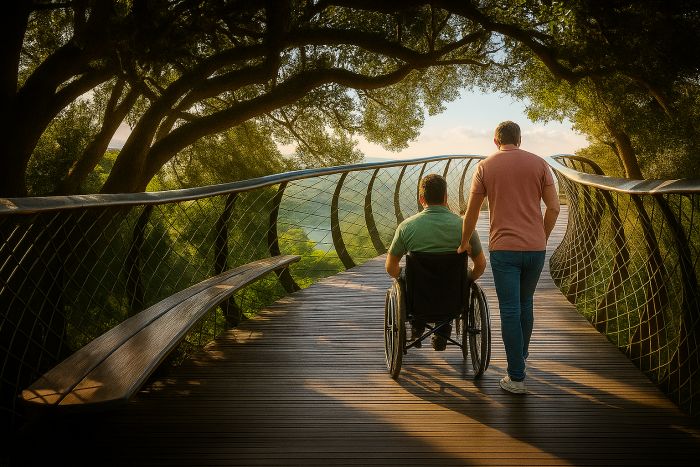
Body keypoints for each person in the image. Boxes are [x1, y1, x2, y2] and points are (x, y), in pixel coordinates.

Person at [458, 121, 560, 394]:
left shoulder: (485, 167)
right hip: (535, 249)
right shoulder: (540, 165)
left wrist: (465, 242)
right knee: (526, 304)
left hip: (504, 249)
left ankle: (516, 376)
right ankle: (520, 359)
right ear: (520, 139)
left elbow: (471, 212)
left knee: (510, 311)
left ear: (495, 141)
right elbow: (553, 208)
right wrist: (543, 236)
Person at [386, 173, 486, 350]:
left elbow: (390, 267)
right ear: (446, 197)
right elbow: (480, 265)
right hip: (453, 299)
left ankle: (418, 324)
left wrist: (405, 276)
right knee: (453, 285)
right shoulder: (464, 227)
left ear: (421, 198)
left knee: (406, 280)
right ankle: (443, 330)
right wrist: (466, 277)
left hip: (418, 298)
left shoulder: (406, 227)